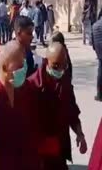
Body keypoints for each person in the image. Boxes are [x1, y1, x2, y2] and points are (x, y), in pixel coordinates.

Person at [0, 41, 39, 170]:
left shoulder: (22, 91)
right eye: (20, 66)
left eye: (24, 64)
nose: (24, 69)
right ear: (4, 68)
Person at [28, 42, 87, 170]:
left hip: (59, 149)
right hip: (40, 154)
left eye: (63, 65)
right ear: (46, 61)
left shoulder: (64, 81)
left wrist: (80, 134)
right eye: (55, 66)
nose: (60, 70)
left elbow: (72, 111)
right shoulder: (33, 85)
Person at [92, 15, 102, 101]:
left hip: (99, 53)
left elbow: (92, 42)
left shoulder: (95, 25)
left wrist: (97, 50)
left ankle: (99, 94)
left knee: (100, 73)